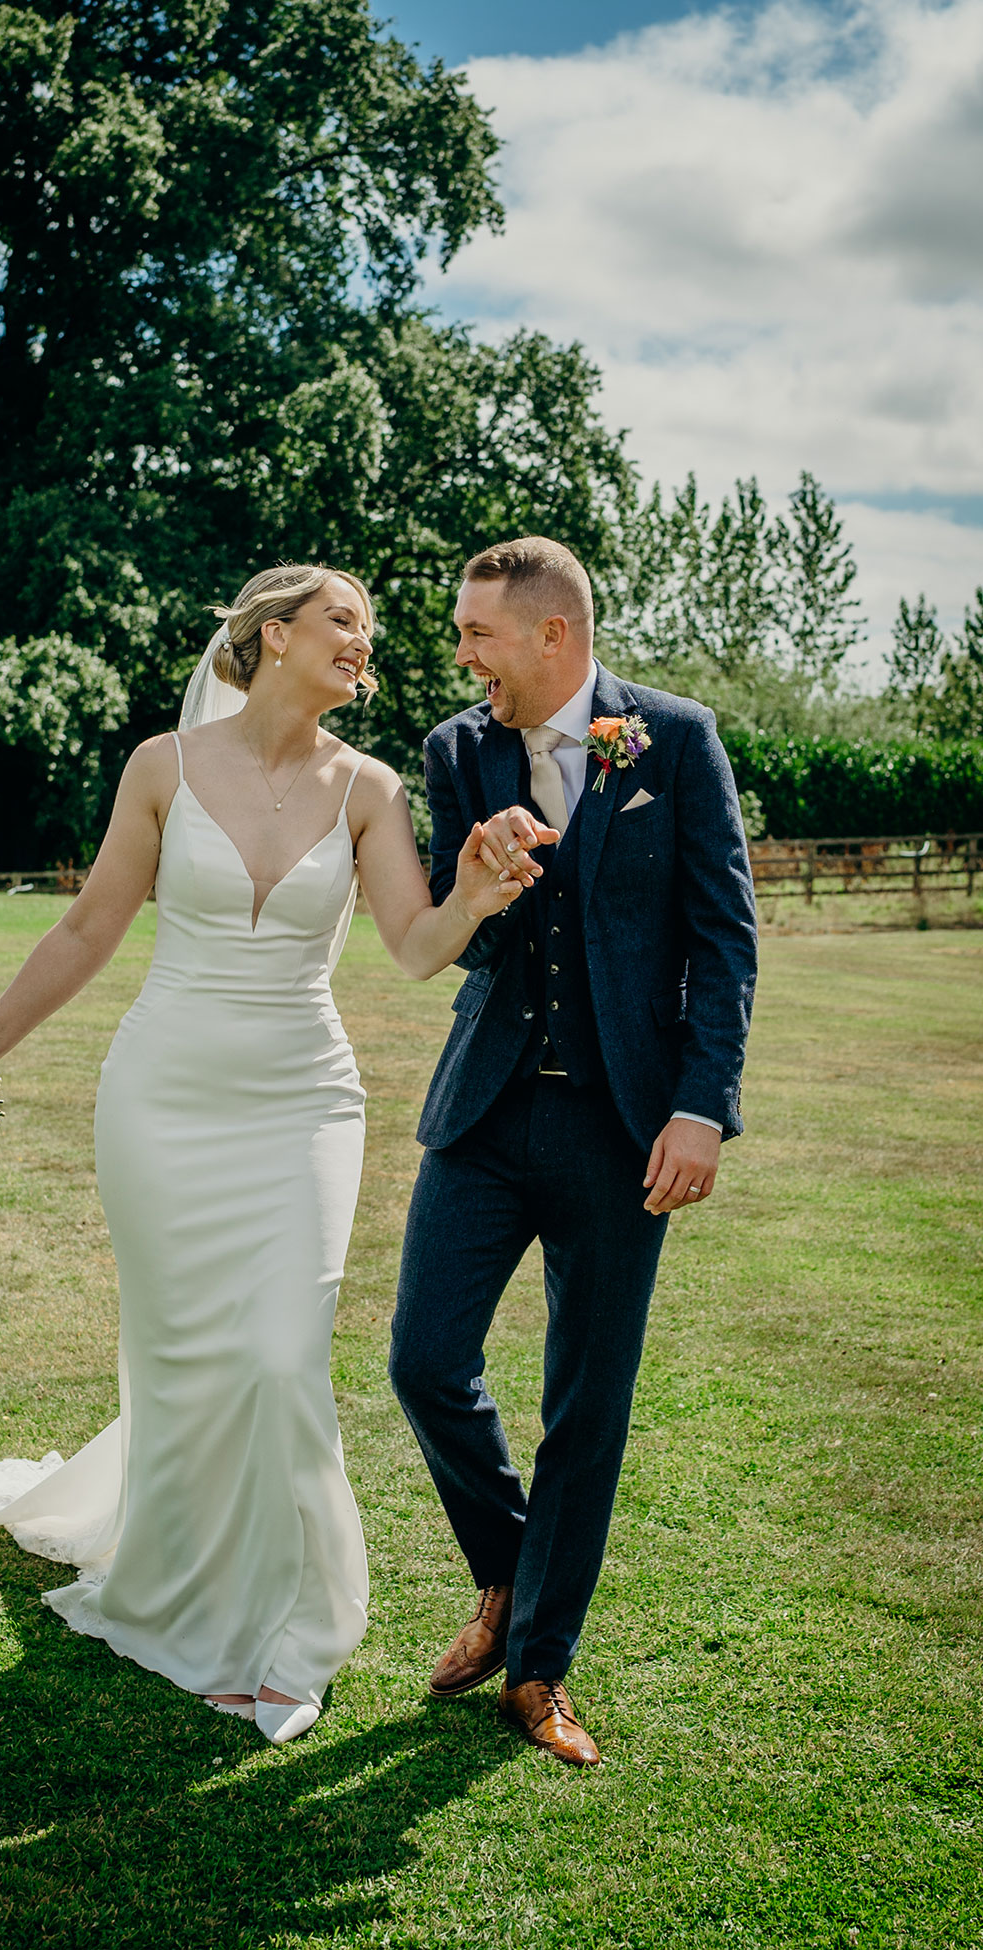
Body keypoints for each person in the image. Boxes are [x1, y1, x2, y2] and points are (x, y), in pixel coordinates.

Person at [0, 564, 529, 1745]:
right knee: (183, 1359)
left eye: (369, 630)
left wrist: (469, 898)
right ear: (272, 634)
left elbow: (414, 948)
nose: (365, 642)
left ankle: (290, 1630)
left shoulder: (370, 790)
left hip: (304, 1104)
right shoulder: (162, 768)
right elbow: (88, 927)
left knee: (279, 1358)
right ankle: (184, 1592)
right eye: (343, 620)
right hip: (161, 1100)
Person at [389, 536, 757, 1765]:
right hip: (485, 1113)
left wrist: (702, 1106)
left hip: (626, 1127)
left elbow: (724, 934)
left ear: (553, 634)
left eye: (477, 633)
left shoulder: (675, 739)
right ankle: (509, 1572)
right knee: (424, 1361)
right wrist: (479, 887)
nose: (463, 657)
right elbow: (468, 937)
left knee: (587, 1403)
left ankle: (538, 1668)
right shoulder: (457, 750)